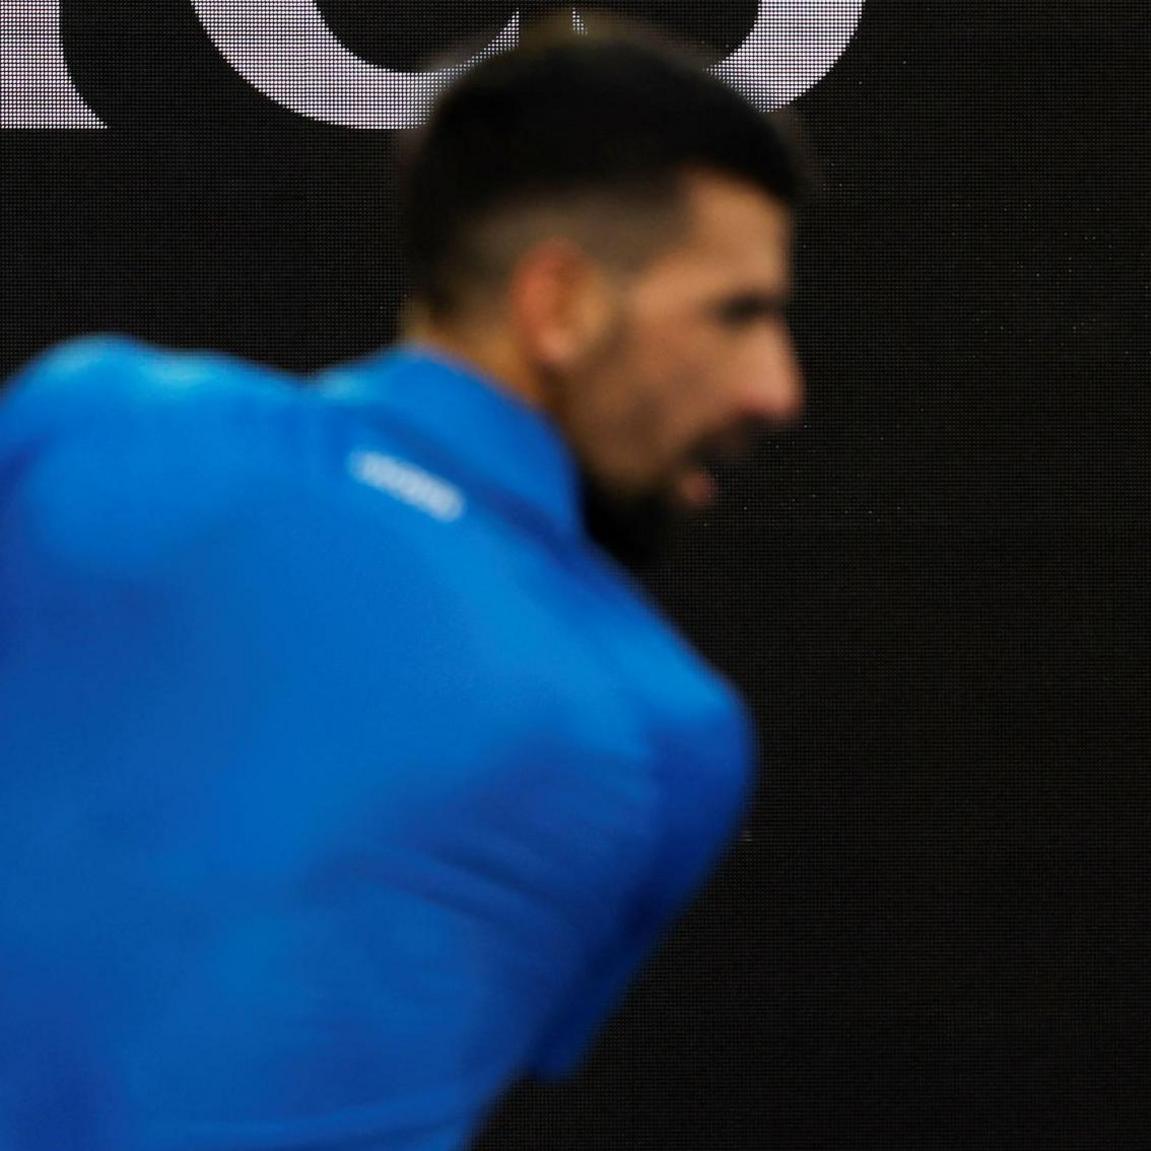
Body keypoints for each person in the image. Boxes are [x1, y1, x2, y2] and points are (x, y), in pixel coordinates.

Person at [0, 18, 804, 1150]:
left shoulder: (88, 420)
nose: (776, 387)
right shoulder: (663, 733)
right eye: (738, 314)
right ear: (559, 305)